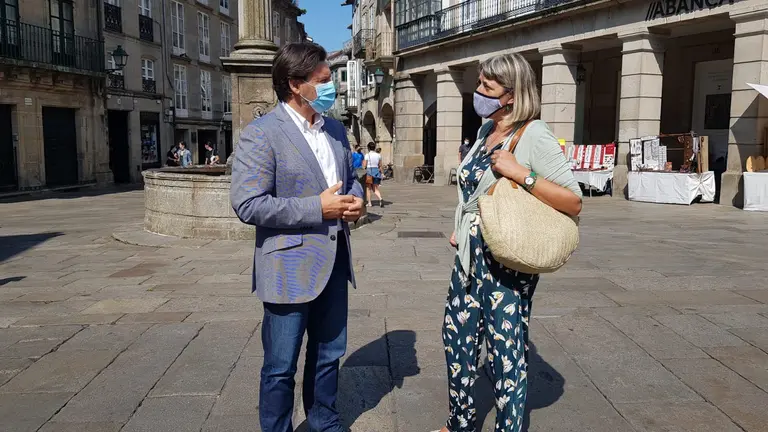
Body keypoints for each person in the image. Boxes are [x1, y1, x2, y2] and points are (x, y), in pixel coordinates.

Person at [438, 53, 582, 432]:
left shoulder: (534, 134)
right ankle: (460, 424)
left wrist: (521, 173)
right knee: (457, 339)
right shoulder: (486, 130)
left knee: (505, 355)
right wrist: (463, 225)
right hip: (470, 257)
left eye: (487, 86)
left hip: (507, 260)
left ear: (512, 95)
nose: (478, 92)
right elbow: (475, 191)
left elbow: (573, 201)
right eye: (479, 83)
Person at [230, 42, 364, 432]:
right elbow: (248, 204)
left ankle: (324, 422)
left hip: (334, 262)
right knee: (280, 365)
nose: (331, 87)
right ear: (294, 84)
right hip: (287, 268)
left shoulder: (335, 129)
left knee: (329, 355)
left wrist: (356, 201)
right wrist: (316, 208)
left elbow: (351, 181)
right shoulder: (262, 134)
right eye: (322, 80)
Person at [363, 142, 384, 207]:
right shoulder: (378, 155)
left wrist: (363, 164)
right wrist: (382, 173)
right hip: (376, 173)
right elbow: (380, 165)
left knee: (368, 188)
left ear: (368, 148)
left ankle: (369, 203)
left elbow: (364, 165)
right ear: (374, 148)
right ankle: (380, 198)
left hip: (369, 173)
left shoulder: (367, 155)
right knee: (375, 188)